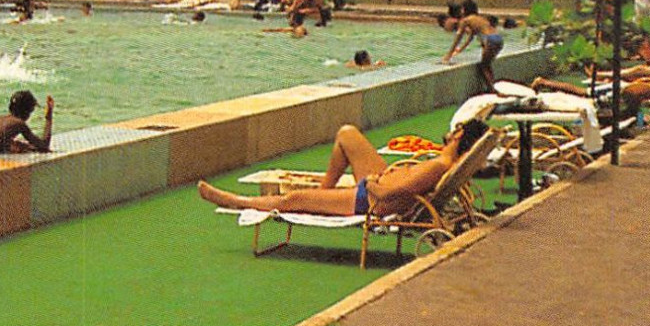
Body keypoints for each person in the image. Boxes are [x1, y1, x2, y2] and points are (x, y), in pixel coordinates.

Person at [198, 118, 491, 218]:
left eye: (458, 130)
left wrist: (374, 182)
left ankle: (236, 201)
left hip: (372, 199)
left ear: (460, 136)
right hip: (378, 186)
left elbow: (394, 193)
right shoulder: (445, 162)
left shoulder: (439, 165)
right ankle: (323, 197)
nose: (452, 131)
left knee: (293, 199)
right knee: (348, 134)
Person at [440, 10, 503, 88]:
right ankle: (494, 86)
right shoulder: (475, 19)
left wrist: (448, 55)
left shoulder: (465, 21)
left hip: (490, 40)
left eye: (445, 23)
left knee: (483, 66)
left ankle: (493, 89)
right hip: (499, 39)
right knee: (487, 65)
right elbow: (470, 38)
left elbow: (458, 38)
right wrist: (460, 50)